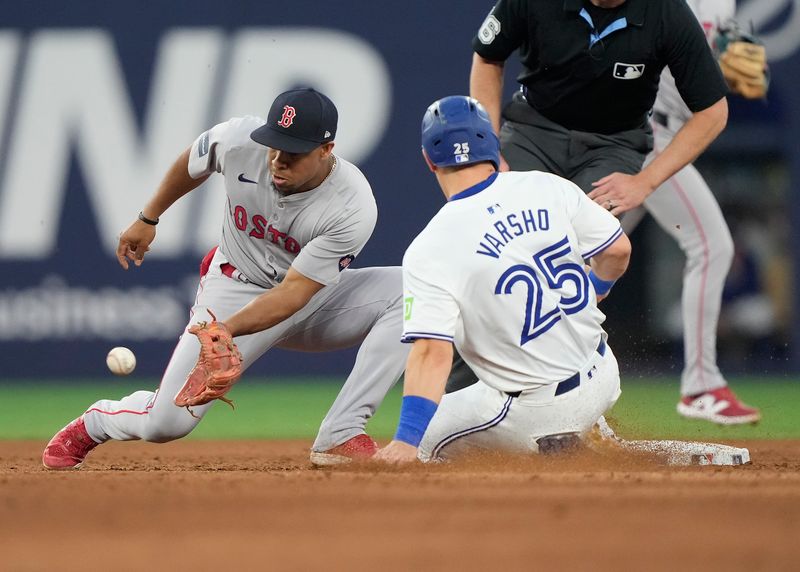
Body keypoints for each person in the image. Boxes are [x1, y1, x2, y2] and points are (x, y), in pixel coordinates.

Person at [42, 88, 409, 470]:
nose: (278, 161)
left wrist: (225, 331)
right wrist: (148, 216)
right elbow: (192, 163)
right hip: (233, 287)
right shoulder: (239, 140)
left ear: (326, 149)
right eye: (274, 146)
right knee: (166, 423)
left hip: (309, 298)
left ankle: (342, 432)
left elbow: (295, 293)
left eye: (293, 152)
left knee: (411, 291)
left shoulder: (353, 205)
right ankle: (98, 421)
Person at [453, 0, 758, 424]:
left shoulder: (665, 11)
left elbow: (712, 109)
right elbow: (488, 55)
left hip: (616, 142)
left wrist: (645, 182)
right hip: (533, 129)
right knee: (492, 254)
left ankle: (570, 405)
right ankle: (455, 398)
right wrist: (488, 145)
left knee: (566, 262)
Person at [376, 96, 631, 463]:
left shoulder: (430, 247)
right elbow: (618, 250)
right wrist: (596, 291)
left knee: (425, 442)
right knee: (489, 392)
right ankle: (590, 425)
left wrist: (405, 442)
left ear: (428, 160)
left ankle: (553, 445)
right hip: (604, 373)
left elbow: (432, 352)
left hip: (535, 410)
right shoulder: (548, 187)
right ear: (493, 146)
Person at [624, 3, 762, 424]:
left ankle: (535, 376)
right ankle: (701, 385)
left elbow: (699, 58)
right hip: (645, 130)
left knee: (586, 258)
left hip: (667, 132)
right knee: (711, 245)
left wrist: (726, 56)